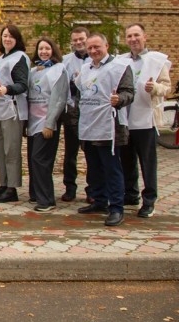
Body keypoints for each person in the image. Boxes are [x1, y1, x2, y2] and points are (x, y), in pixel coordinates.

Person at [76, 33, 135, 227]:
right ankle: (99, 200)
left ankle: (116, 207)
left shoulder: (120, 68)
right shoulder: (85, 69)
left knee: (112, 168)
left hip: (110, 126)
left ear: (106, 45)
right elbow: (81, 93)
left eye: (97, 47)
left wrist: (119, 100)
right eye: (90, 48)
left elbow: (128, 92)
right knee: (94, 168)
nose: (93, 51)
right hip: (89, 125)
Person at [118, 23, 172, 218]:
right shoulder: (121, 61)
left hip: (145, 119)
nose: (133, 39)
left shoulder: (157, 60)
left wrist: (155, 87)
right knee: (127, 160)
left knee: (147, 162)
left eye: (136, 35)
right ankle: (130, 194)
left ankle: (149, 200)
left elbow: (167, 87)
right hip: (125, 118)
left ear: (145, 37)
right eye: (129, 36)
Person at [26, 37, 68, 213]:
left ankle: (47, 199)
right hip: (33, 122)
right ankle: (36, 193)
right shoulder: (34, 71)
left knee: (40, 159)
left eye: (47, 49)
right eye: (41, 49)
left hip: (47, 123)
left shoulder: (59, 70)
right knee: (32, 159)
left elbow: (59, 99)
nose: (43, 52)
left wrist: (50, 124)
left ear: (53, 51)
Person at [0, 24, 30, 203]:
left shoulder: (20, 58)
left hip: (12, 111)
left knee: (11, 151)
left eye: (11, 36)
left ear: (17, 39)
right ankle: (3, 183)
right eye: (4, 36)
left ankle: (12, 188)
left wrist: (8, 89)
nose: (7, 39)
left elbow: (23, 84)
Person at [60, 27, 90, 202]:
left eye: (81, 39)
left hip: (91, 113)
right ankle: (70, 187)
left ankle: (92, 189)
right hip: (72, 112)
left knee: (90, 153)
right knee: (70, 153)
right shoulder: (66, 61)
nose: (78, 43)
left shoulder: (94, 60)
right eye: (75, 40)